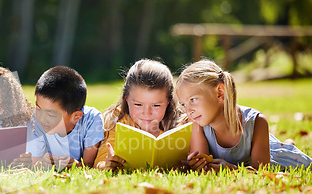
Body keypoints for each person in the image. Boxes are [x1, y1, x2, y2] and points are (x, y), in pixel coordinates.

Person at [175, 59, 312, 171]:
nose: (189, 111)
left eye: (193, 100)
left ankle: (286, 146)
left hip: (269, 157)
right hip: (254, 153)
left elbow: (261, 172)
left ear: (220, 93)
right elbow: (204, 167)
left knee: (284, 155)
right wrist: (198, 165)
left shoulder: (256, 122)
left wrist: (233, 170)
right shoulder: (197, 123)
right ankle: (284, 143)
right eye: (184, 104)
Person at [94, 59, 184, 170]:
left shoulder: (179, 122)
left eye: (156, 105)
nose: (147, 113)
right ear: (126, 99)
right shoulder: (117, 119)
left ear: (168, 102)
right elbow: (100, 161)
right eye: (138, 104)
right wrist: (107, 164)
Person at [24, 66, 104, 169]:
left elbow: (89, 165)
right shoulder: (34, 120)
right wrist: (42, 163)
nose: (42, 118)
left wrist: (76, 165)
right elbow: (34, 163)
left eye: (50, 114)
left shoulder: (91, 120)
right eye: (39, 109)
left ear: (76, 116)